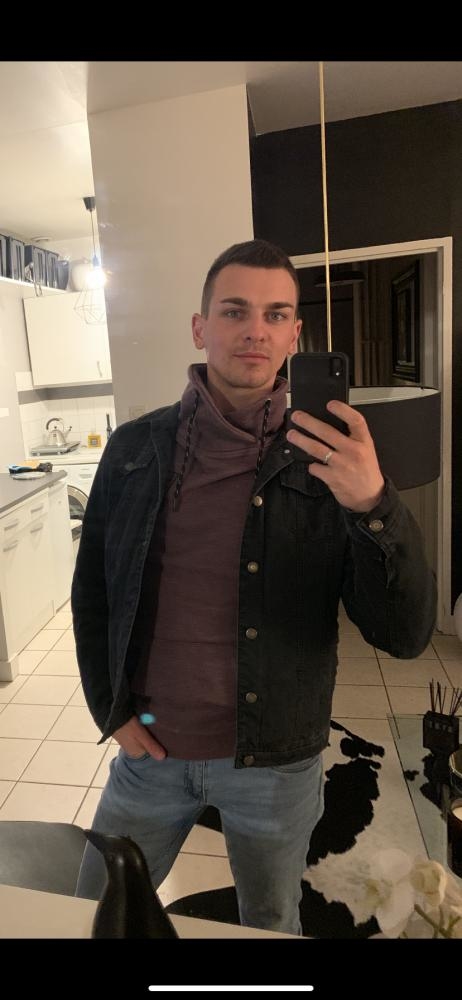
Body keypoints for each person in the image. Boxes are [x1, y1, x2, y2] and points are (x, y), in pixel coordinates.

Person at [73, 238, 437, 934]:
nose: (255, 331)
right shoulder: (135, 450)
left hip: (276, 765)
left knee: (269, 924)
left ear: (296, 335)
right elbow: (92, 590)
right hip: (149, 752)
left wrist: (375, 505)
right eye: (235, 311)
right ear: (200, 327)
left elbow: (404, 633)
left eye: (276, 315)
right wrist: (107, 709)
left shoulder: (329, 463)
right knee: (92, 916)